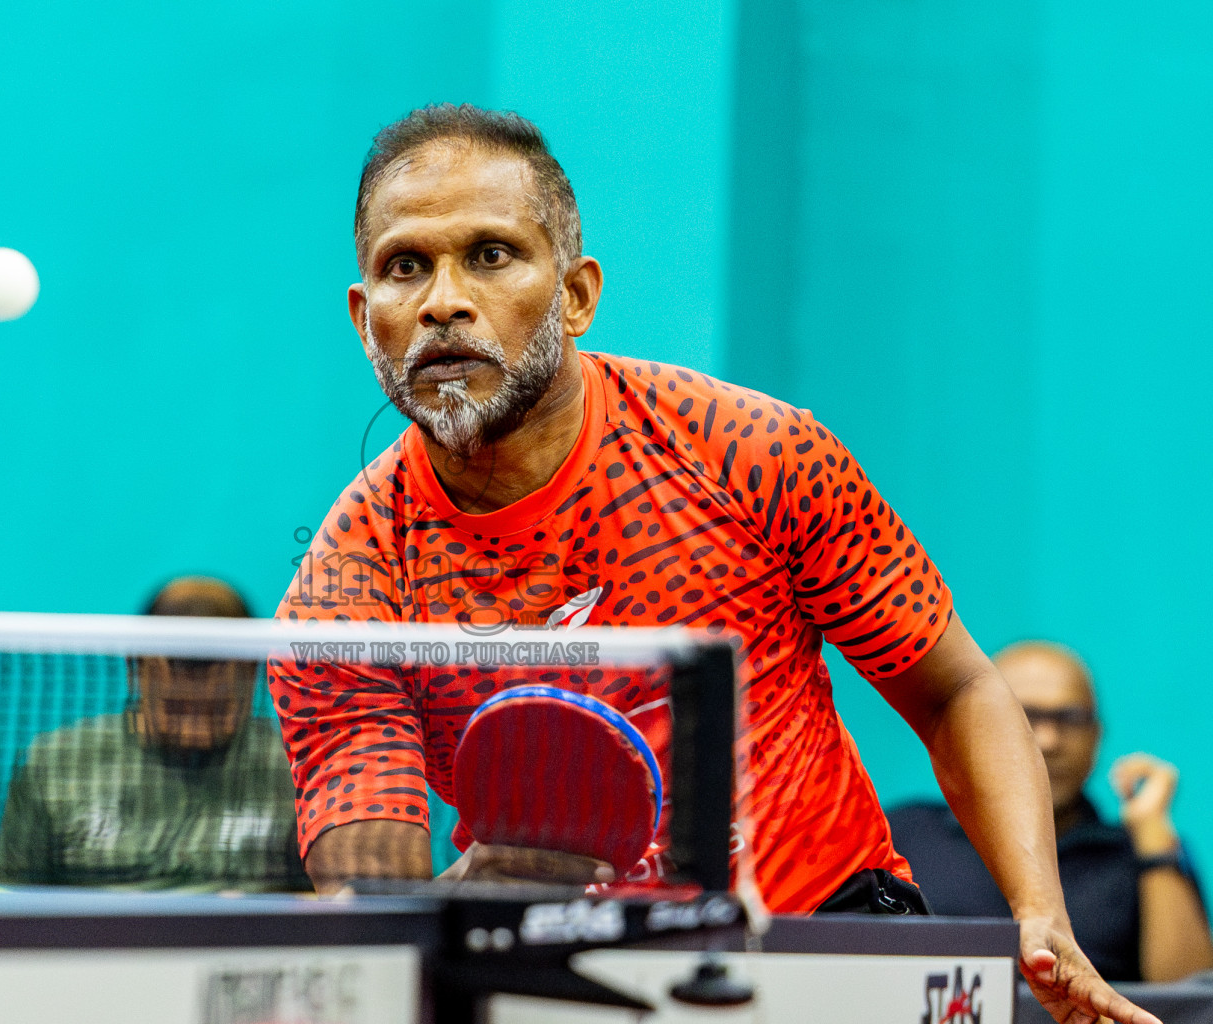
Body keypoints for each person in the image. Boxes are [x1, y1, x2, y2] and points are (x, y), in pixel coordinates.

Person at [267, 104, 1157, 1024]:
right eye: (404, 265)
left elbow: (955, 691)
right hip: (564, 976)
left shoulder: (750, 452)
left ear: (576, 295)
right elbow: (373, 903)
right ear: (364, 314)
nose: (443, 299)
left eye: (490, 255)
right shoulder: (346, 588)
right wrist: (469, 895)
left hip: (825, 935)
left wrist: (1040, 914)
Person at [889, 641, 1213, 982]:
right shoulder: (907, 833)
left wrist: (1154, 839)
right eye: (1024, 715)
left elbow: (1190, 1001)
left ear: (1096, 737)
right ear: (973, 726)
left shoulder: (1142, 855)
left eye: (1070, 718)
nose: (1048, 740)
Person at [0, 577, 307, 890]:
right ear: (135, 669)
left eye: (216, 708)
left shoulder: (299, 765)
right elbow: (6, 902)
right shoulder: (54, 763)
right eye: (177, 706)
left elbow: (330, 898)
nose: (196, 726)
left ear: (252, 674)